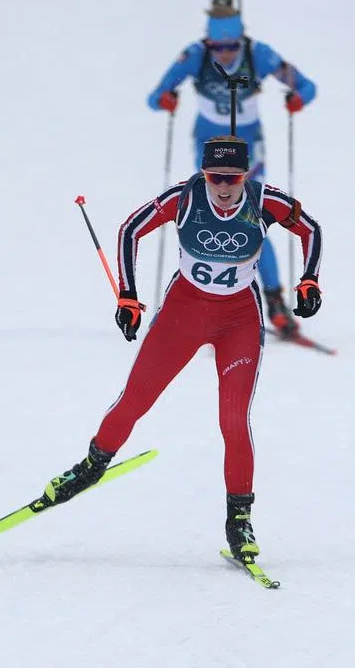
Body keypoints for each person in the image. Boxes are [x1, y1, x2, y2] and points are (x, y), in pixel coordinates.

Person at [40, 135, 323, 564]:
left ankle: (239, 519)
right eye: (215, 177)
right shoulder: (186, 197)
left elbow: (311, 230)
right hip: (184, 314)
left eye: (232, 178)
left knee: (233, 418)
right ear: (203, 174)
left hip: (238, 321)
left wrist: (309, 281)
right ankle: (91, 466)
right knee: (135, 399)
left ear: (245, 175)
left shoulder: (266, 201)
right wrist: (129, 297)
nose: (224, 187)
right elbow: (130, 229)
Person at [146, 0, 317, 339]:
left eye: (231, 46)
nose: (225, 53)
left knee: (250, 217)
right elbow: (155, 96)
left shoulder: (259, 55)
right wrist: (167, 98)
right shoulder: (194, 56)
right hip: (208, 148)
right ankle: (199, 302)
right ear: (209, 41)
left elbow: (307, 86)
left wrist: (297, 98)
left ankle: (274, 302)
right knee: (206, 217)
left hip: (249, 148)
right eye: (219, 46)